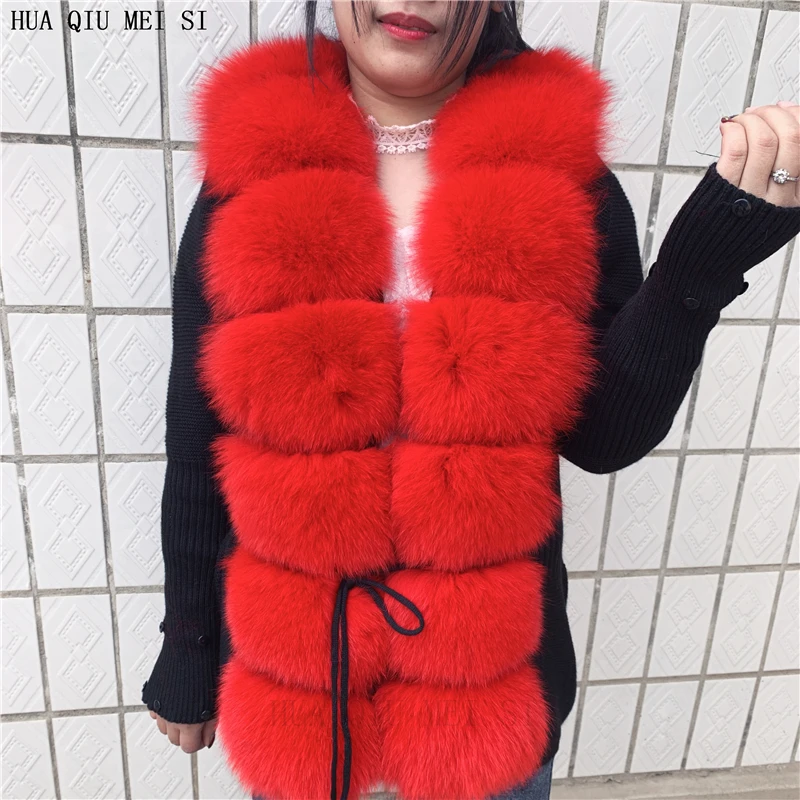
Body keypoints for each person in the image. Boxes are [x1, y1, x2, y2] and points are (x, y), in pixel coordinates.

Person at [142, 3, 800, 800]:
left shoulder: (562, 179)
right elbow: (196, 434)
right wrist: (188, 640)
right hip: (303, 681)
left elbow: (604, 437)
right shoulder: (248, 178)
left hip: (488, 687)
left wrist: (695, 274)